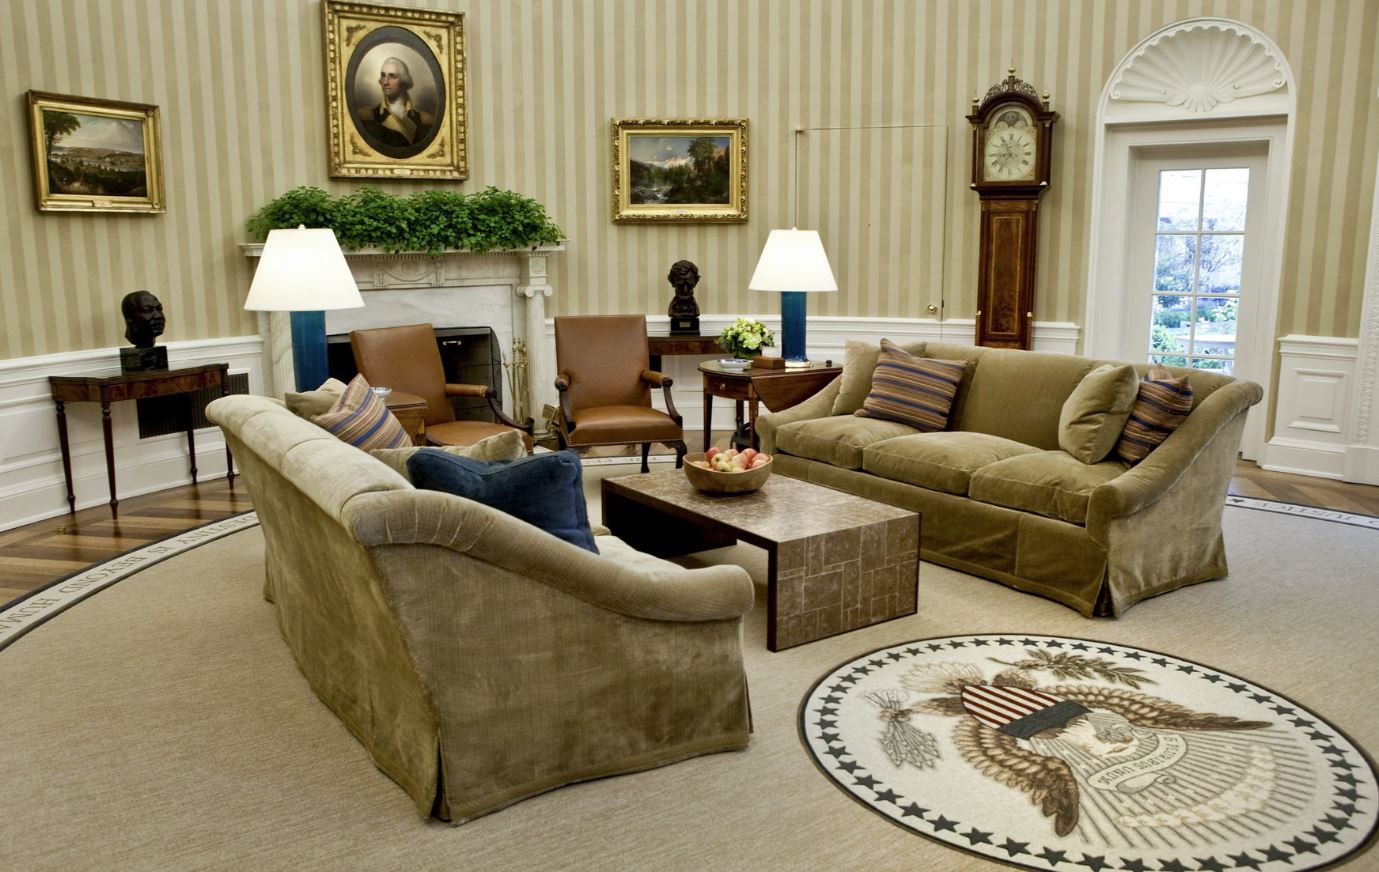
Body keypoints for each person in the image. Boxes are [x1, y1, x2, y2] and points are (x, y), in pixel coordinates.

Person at [356, 57, 434, 152]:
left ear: (404, 81)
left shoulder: (425, 120)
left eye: (392, 76)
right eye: (383, 75)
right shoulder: (367, 116)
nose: (385, 82)